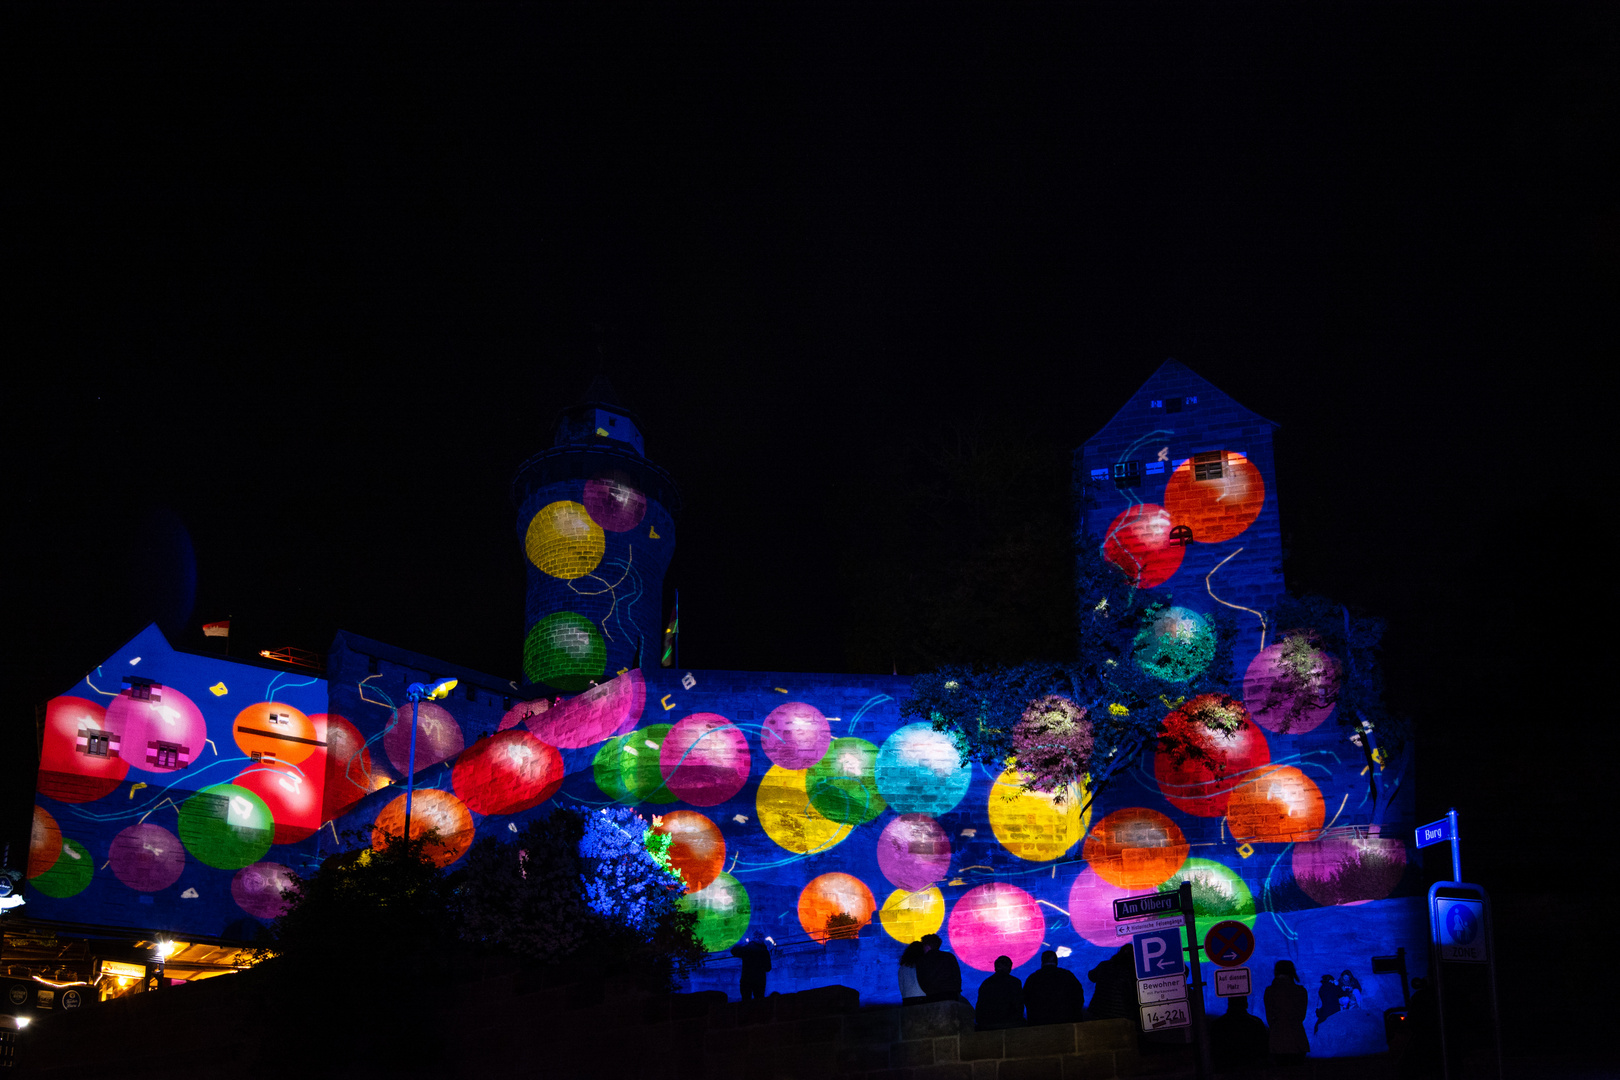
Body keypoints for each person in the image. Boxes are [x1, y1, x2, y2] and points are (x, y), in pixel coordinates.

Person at [1264, 959, 1310, 1065]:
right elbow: (1301, 1016)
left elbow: (1270, 1018)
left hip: (1277, 1042)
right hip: (1298, 1041)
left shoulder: (1270, 991)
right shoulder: (1300, 991)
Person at [1024, 950, 1085, 1025]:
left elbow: (1026, 999)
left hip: (1040, 1022)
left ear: (1042, 962)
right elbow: (1078, 995)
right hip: (1067, 1020)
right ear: (1056, 961)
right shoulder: (1067, 975)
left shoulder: (1033, 978)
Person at [1210, 995, 1269, 1070]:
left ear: (1229, 1003)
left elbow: (1214, 1051)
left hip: (1227, 1070)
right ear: (1246, 1004)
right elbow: (1263, 1050)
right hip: (1251, 1070)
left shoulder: (1218, 1024)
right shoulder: (1255, 1023)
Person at [974, 955, 1026, 1030]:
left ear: (995, 967)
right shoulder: (1015, 982)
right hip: (1010, 1024)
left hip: (987, 1024)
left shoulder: (986, 983)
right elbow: (1019, 1005)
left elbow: (980, 1007)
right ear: (1009, 967)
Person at [1087, 945, 1137, 1020]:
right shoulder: (1133, 972)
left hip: (1097, 1011)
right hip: (1121, 1015)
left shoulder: (1104, 965)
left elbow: (1091, 976)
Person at [915, 934, 963, 1002]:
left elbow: (921, 980)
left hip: (932, 996)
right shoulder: (949, 957)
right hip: (951, 994)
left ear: (927, 946)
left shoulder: (922, 960)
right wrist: (957, 990)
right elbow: (957, 976)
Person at [730, 935, 771, 1001]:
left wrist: (740, 942)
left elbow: (733, 951)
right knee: (759, 1002)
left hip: (746, 980)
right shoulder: (764, 951)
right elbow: (768, 968)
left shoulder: (747, 949)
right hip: (759, 981)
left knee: (746, 1002)